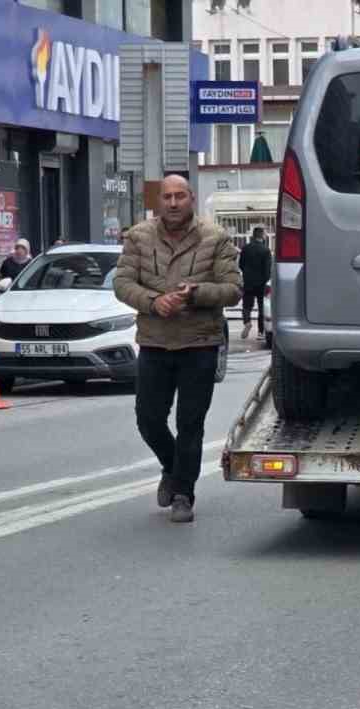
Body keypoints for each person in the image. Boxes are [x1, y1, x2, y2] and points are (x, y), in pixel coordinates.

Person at [113, 173, 242, 524]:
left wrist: (196, 293)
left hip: (199, 342)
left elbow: (233, 289)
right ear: (159, 201)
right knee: (148, 419)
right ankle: (172, 467)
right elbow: (122, 283)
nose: (173, 203)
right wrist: (154, 302)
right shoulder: (138, 236)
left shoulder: (215, 237)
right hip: (155, 341)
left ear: (191, 199)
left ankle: (183, 493)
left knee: (190, 422)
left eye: (179, 196)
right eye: (167, 197)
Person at [238, 227, 272, 340]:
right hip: (261, 284)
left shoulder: (245, 248)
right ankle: (260, 332)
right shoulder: (266, 250)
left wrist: (247, 274)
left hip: (248, 282)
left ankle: (247, 322)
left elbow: (241, 264)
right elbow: (267, 270)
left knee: (246, 305)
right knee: (262, 307)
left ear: (253, 236)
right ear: (262, 236)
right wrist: (266, 280)